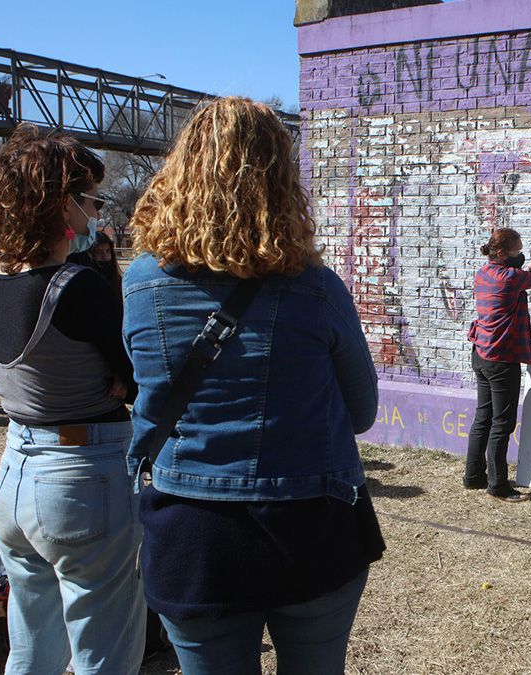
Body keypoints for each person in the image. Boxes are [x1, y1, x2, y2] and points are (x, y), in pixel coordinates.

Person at [123, 96, 385, 675]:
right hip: (311, 522)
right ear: (281, 180)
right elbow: (363, 411)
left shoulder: (140, 283)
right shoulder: (317, 288)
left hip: (190, 530)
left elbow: (148, 394)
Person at [0, 124, 145, 673]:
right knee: (104, 650)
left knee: (32, 648)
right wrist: (121, 379)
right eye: (91, 200)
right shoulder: (78, 287)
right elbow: (137, 377)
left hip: (14, 475)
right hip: (82, 478)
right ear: (63, 203)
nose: (95, 213)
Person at [465, 228, 531, 502]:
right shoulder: (510, 277)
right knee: (502, 423)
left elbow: (516, 282)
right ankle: (497, 486)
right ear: (504, 252)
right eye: (517, 250)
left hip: (481, 353)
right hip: (502, 359)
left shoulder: (484, 273)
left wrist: (527, 267)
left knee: (483, 417)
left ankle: (473, 476)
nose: (520, 254)